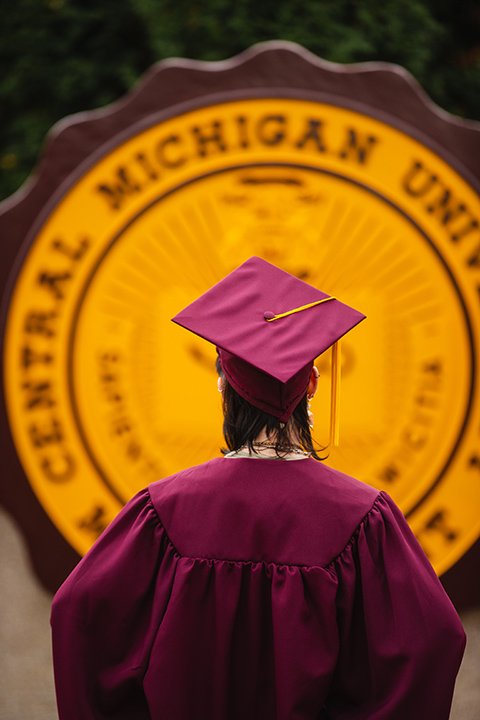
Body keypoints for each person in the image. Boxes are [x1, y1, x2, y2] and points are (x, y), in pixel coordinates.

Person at [51, 256, 466, 719]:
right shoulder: (363, 518)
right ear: (312, 384)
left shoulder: (161, 512)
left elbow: (79, 615)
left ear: (223, 387)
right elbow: (434, 640)